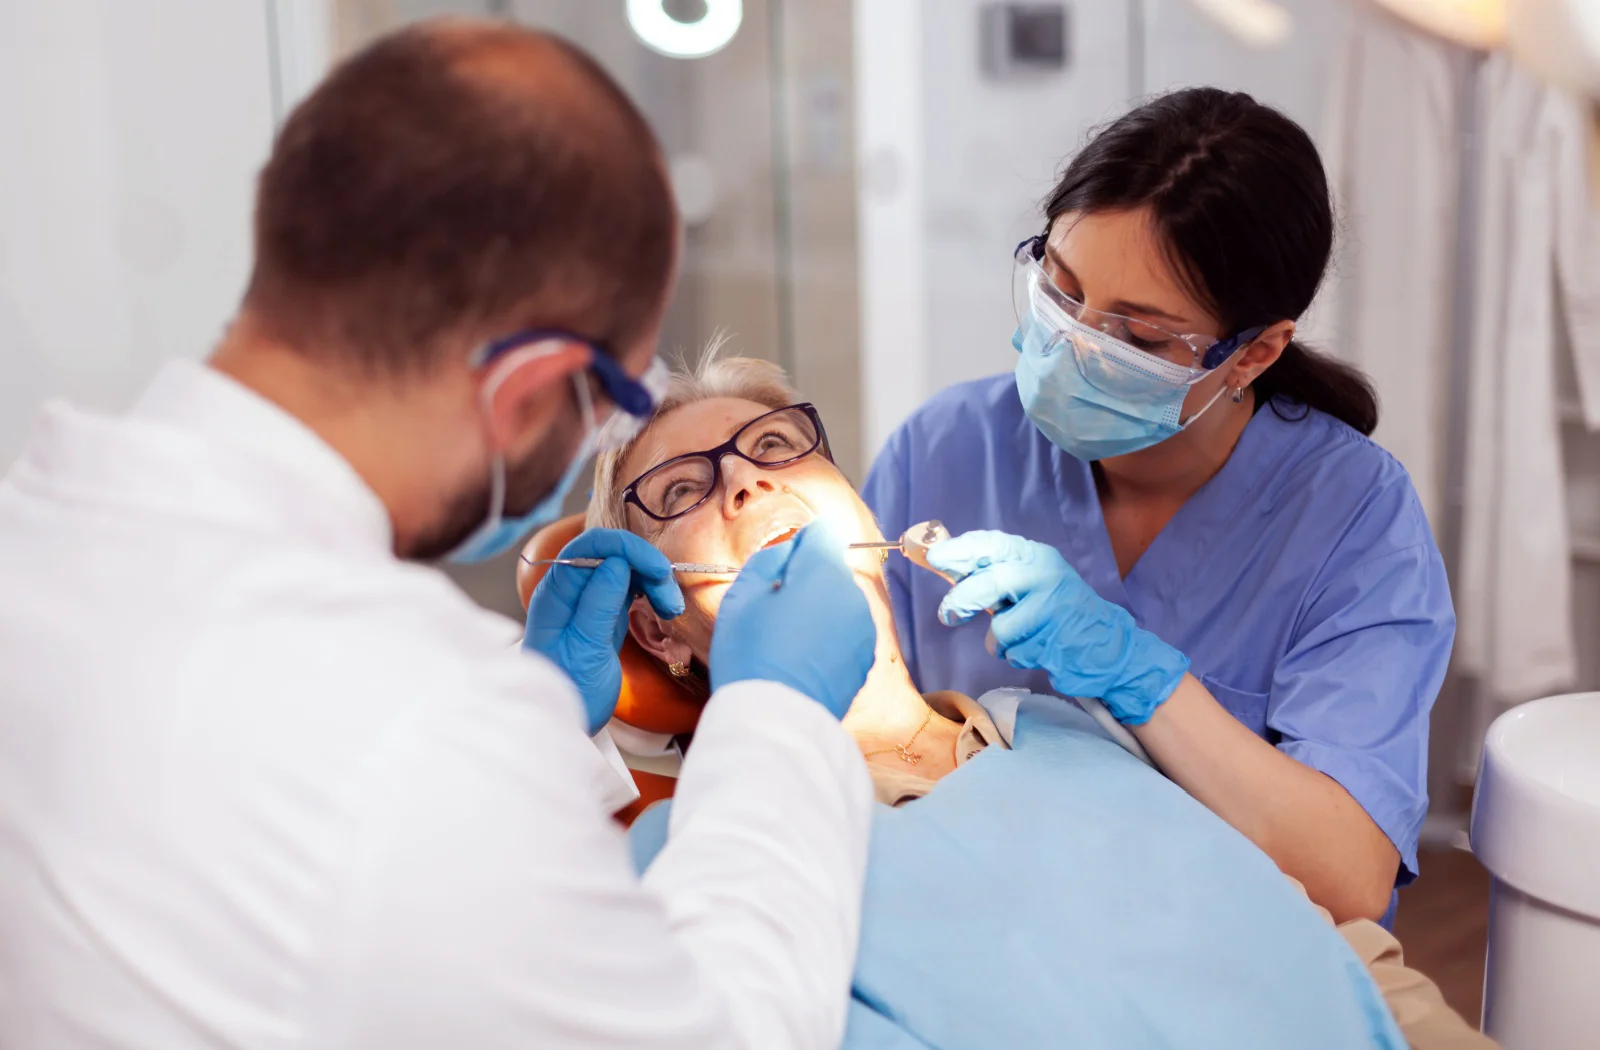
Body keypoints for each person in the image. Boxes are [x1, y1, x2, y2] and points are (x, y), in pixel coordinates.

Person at [0, 21, 882, 1049]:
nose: (741, 485)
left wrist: (547, 714)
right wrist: (777, 713)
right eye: (612, 400)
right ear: (525, 390)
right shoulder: (419, 727)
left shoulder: (46, 535)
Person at [578, 351, 1493, 1050]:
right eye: (684, 489)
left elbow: (1327, 951)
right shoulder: (714, 855)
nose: (748, 478)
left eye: (775, 444)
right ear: (659, 631)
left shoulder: (1066, 726)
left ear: (860, 509)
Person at [861, 87, 1454, 927]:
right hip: (983, 925)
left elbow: (1349, 875)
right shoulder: (946, 447)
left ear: (1254, 353)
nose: (1071, 346)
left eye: (1137, 339)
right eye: (1061, 292)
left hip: (1224, 951)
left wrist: (1140, 677)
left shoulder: (1351, 520)